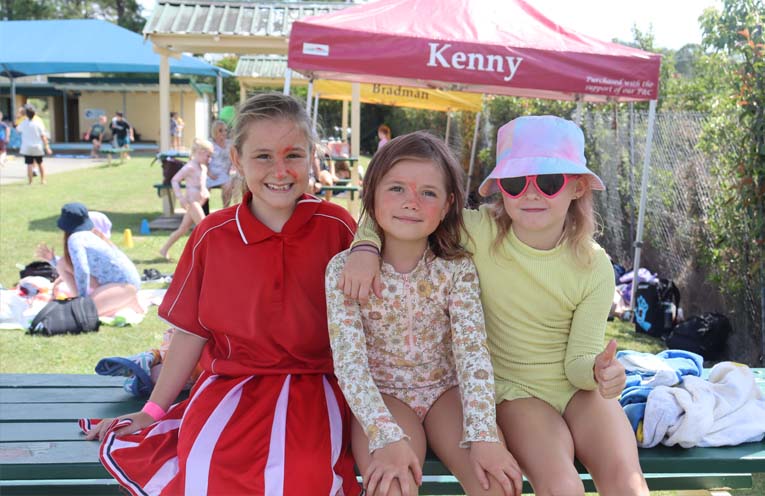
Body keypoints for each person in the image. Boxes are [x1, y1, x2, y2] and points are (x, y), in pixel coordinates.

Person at [340, 116, 648, 495]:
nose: (531, 194)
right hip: (514, 392)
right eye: (517, 183)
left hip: (579, 389)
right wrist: (365, 246)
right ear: (501, 188)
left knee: (628, 481)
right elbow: (403, 212)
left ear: (578, 186)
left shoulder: (594, 264)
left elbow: (578, 362)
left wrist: (600, 372)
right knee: (562, 485)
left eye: (549, 182)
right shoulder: (477, 231)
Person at [85, 92, 361, 495]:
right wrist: (153, 410)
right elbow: (190, 332)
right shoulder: (213, 235)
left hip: (318, 386)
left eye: (294, 155)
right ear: (236, 159)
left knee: (306, 473)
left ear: (311, 158)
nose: (280, 170)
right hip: (230, 386)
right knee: (205, 467)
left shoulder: (337, 226)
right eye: (263, 156)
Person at [326, 131, 522, 496]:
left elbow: (473, 354)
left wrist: (484, 434)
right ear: (372, 194)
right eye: (396, 188)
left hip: (446, 392)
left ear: (448, 205)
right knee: (392, 485)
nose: (411, 202)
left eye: (428, 193)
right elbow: (350, 365)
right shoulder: (344, 270)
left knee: (496, 483)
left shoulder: (456, 269)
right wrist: (385, 434)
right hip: (383, 397)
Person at [40, 203, 142, 317]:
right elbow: (71, 265)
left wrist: (82, 299)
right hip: (124, 284)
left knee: (82, 314)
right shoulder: (90, 235)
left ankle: (124, 303)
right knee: (62, 263)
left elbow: (82, 270)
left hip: (123, 286)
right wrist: (53, 260)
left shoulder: (75, 239)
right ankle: (123, 302)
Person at [158, 138, 214, 260]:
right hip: (193, 203)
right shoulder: (190, 167)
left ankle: (164, 249)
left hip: (199, 202)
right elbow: (175, 180)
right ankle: (207, 255)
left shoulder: (203, 167)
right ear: (200, 152)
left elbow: (201, 184)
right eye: (208, 155)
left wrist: (205, 192)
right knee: (204, 228)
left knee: (183, 229)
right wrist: (181, 198)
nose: (209, 159)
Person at [17, 104, 51, 185]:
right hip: (37, 147)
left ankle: (30, 182)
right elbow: (43, 136)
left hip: (27, 147)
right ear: (34, 113)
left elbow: (18, 129)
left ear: (26, 114)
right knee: (40, 163)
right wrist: (47, 147)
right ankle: (43, 180)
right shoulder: (38, 123)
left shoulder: (24, 123)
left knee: (29, 164)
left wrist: (20, 118)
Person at [206, 120, 235, 208]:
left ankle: (225, 209)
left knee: (228, 185)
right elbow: (204, 160)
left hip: (224, 174)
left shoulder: (230, 144)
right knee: (203, 188)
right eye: (220, 130)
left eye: (225, 130)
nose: (224, 133)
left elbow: (234, 158)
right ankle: (203, 212)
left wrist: (231, 169)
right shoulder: (209, 144)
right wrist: (208, 173)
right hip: (210, 173)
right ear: (214, 132)